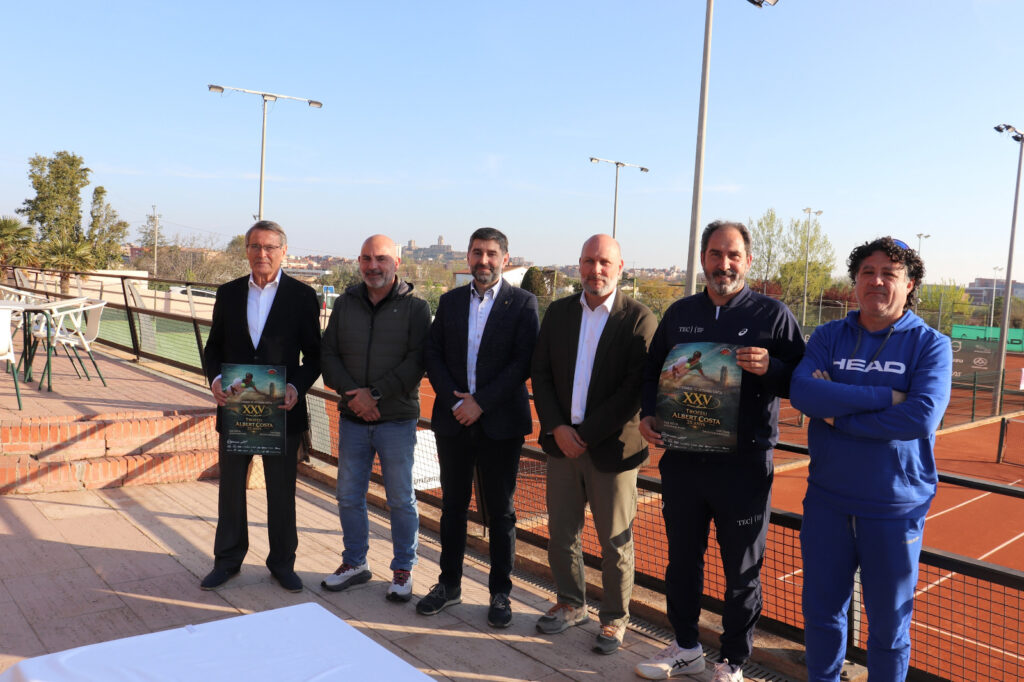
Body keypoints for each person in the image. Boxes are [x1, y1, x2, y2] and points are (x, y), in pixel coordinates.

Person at [635, 221, 805, 682]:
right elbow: (652, 371)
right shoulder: (679, 313)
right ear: (703, 259)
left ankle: (732, 662)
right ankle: (686, 648)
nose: (723, 264)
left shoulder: (773, 315)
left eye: (733, 255)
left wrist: (772, 367)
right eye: (715, 254)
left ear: (747, 261)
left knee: (741, 572)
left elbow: (802, 380)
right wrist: (648, 415)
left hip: (743, 469)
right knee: (681, 563)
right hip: (683, 462)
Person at [790, 237, 952, 681]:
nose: (876, 281)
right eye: (867, 272)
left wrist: (837, 414)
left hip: (895, 508)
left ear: (909, 284)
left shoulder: (931, 344)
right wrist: (886, 397)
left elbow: (920, 416)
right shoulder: (829, 336)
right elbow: (802, 392)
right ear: (856, 281)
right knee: (822, 615)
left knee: (889, 629)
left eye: (889, 274)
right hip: (827, 501)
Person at [530, 234, 656, 654]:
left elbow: (632, 390)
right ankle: (571, 604)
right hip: (562, 446)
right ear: (579, 265)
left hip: (613, 451)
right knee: (561, 533)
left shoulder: (639, 319)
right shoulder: (559, 312)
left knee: (615, 544)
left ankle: (615, 619)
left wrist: (583, 435)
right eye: (588, 261)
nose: (595, 270)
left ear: (620, 268)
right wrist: (557, 427)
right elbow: (541, 373)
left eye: (604, 262)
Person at [416, 227, 539, 628]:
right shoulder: (450, 301)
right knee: (452, 507)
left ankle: (500, 593)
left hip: (500, 424)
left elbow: (522, 362)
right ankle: (448, 585)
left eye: (491, 253)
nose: (483, 260)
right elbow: (432, 352)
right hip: (454, 422)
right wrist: (457, 403)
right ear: (468, 257)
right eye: (477, 253)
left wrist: (480, 402)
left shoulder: (523, 304)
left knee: (501, 513)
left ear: (505, 258)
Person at [201, 220, 322, 593]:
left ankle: (282, 564)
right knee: (231, 490)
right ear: (247, 251)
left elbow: (315, 357)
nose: (262, 254)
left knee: (281, 492)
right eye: (255, 246)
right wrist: (216, 380)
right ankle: (227, 561)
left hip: (281, 412)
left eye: (270, 247)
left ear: (283, 251)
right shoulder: (229, 293)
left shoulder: (302, 296)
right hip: (236, 408)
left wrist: (295, 387)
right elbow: (213, 348)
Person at [320, 234, 431, 602]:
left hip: (396, 420)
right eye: (366, 258)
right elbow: (328, 354)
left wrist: (376, 394)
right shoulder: (345, 304)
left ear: (396, 263)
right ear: (359, 262)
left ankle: (403, 569)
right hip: (353, 418)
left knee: (400, 499)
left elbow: (417, 362)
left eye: (381, 258)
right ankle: (355, 563)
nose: (373, 265)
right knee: (348, 496)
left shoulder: (416, 308)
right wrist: (355, 396)